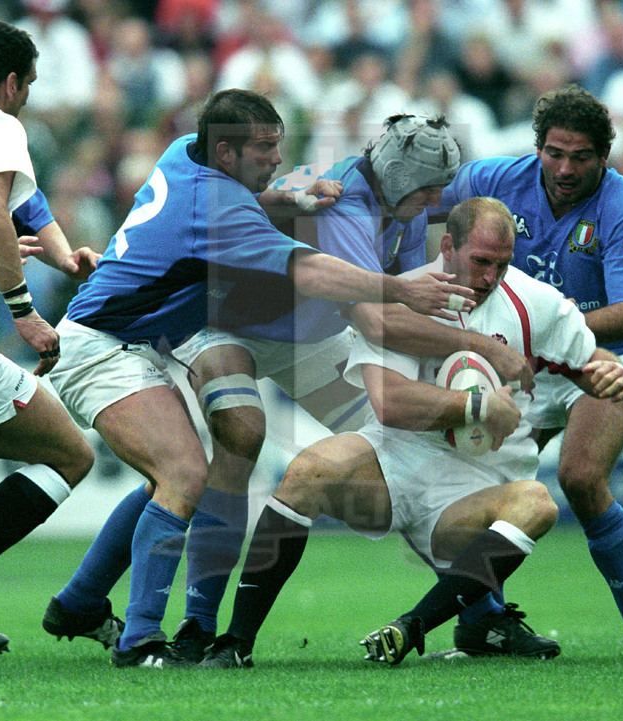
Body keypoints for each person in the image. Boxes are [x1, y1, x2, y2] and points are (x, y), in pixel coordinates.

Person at [42, 88, 475, 669]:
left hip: (293, 338)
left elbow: (252, 191)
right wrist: (410, 295)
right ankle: (176, 630)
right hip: (196, 331)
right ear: (226, 151)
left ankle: (82, 601)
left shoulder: (186, 149)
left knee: (402, 444)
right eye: (266, 147)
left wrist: (285, 191)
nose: (278, 157)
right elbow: (325, 281)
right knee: (213, 454)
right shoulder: (239, 207)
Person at [199, 196, 623, 668]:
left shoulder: (536, 301)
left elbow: (589, 358)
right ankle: (236, 643)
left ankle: (412, 627)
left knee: (537, 503)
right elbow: (390, 403)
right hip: (395, 463)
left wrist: (608, 374)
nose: (490, 277)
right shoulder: (407, 296)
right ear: (448, 247)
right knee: (308, 470)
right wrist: (479, 407)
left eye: (502, 264)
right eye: (480, 262)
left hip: (475, 491)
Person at [432, 84, 623, 659]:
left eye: (581, 157)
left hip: (608, 355)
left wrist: (550, 330)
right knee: (473, 487)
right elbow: (419, 198)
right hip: (526, 360)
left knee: (581, 477)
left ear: (604, 156)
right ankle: (484, 624)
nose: (565, 169)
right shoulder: (493, 180)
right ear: (537, 147)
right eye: (555, 153)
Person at [0, 21, 99, 672]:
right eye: (28, 86)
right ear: (11, 84)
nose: (26, 99)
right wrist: (24, 311)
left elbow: (13, 208)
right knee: (69, 453)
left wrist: (61, 255)